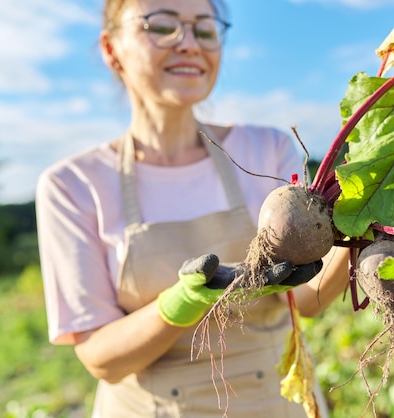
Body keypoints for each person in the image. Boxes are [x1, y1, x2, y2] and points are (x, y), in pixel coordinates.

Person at [35, 0, 350, 416]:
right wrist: (178, 305)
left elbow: (307, 299)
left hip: (278, 402)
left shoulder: (267, 147)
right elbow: (101, 358)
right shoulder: (72, 185)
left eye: (204, 29)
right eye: (162, 25)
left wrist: (371, 223)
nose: (188, 43)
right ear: (111, 48)